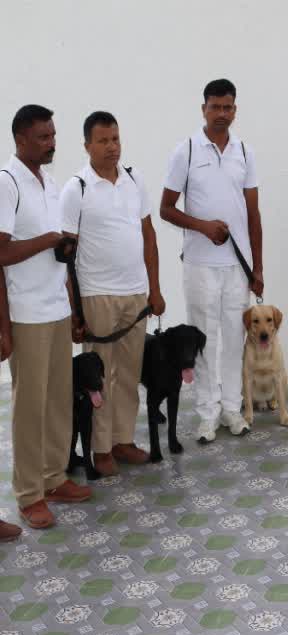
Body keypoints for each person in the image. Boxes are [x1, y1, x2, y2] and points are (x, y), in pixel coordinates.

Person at [0, 104, 93, 533]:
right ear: (20, 139)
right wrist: (48, 240)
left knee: (58, 400)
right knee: (30, 408)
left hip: (56, 307)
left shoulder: (51, 182)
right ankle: (29, 494)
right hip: (26, 313)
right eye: (43, 137)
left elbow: (60, 253)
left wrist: (74, 307)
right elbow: (1, 252)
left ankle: (54, 479)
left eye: (53, 135)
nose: (51, 142)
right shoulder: (6, 183)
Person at [60, 112, 165, 476]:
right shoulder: (78, 188)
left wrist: (155, 289)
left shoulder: (134, 181)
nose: (112, 147)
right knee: (98, 377)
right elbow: (66, 256)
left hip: (135, 295)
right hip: (97, 296)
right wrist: (75, 311)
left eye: (116, 139)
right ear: (87, 145)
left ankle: (122, 440)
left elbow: (149, 237)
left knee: (130, 373)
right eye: (103, 141)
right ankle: (100, 448)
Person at [161, 79, 264, 442]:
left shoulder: (245, 153)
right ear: (203, 108)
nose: (222, 114)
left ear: (235, 110)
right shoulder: (186, 151)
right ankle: (207, 414)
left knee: (236, 339)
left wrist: (258, 268)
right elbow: (166, 209)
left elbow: (253, 214)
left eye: (228, 107)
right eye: (215, 107)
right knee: (202, 343)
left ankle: (232, 411)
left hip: (238, 268)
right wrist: (203, 227)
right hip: (200, 265)